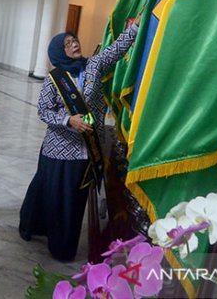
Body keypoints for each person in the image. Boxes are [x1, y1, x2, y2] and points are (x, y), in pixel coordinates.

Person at [18, 22, 139, 261]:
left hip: (86, 149)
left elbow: (116, 49)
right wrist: (67, 120)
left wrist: (134, 29)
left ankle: (63, 248)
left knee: (73, 201)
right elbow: (43, 111)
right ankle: (31, 225)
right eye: (66, 44)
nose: (74, 44)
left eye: (74, 40)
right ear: (58, 52)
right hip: (58, 150)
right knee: (51, 194)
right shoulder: (54, 79)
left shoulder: (93, 66)